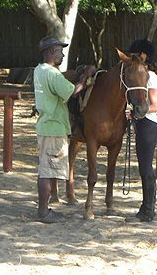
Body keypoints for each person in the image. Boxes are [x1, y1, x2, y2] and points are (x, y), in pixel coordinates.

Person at [34, 35, 94, 223]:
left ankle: (45, 209)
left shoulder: (38, 70)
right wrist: (85, 76)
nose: (62, 55)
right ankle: (43, 212)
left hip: (46, 126)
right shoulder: (52, 74)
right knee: (47, 170)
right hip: (54, 128)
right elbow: (73, 91)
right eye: (60, 51)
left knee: (45, 168)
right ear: (51, 51)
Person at [125, 38, 157, 222]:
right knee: (144, 167)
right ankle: (147, 209)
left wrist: (138, 112)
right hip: (142, 123)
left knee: (146, 168)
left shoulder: (152, 77)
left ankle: (147, 211)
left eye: (137, 54)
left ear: (144, 55)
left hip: (149, 124)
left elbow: (154, 105)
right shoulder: (141, 74)